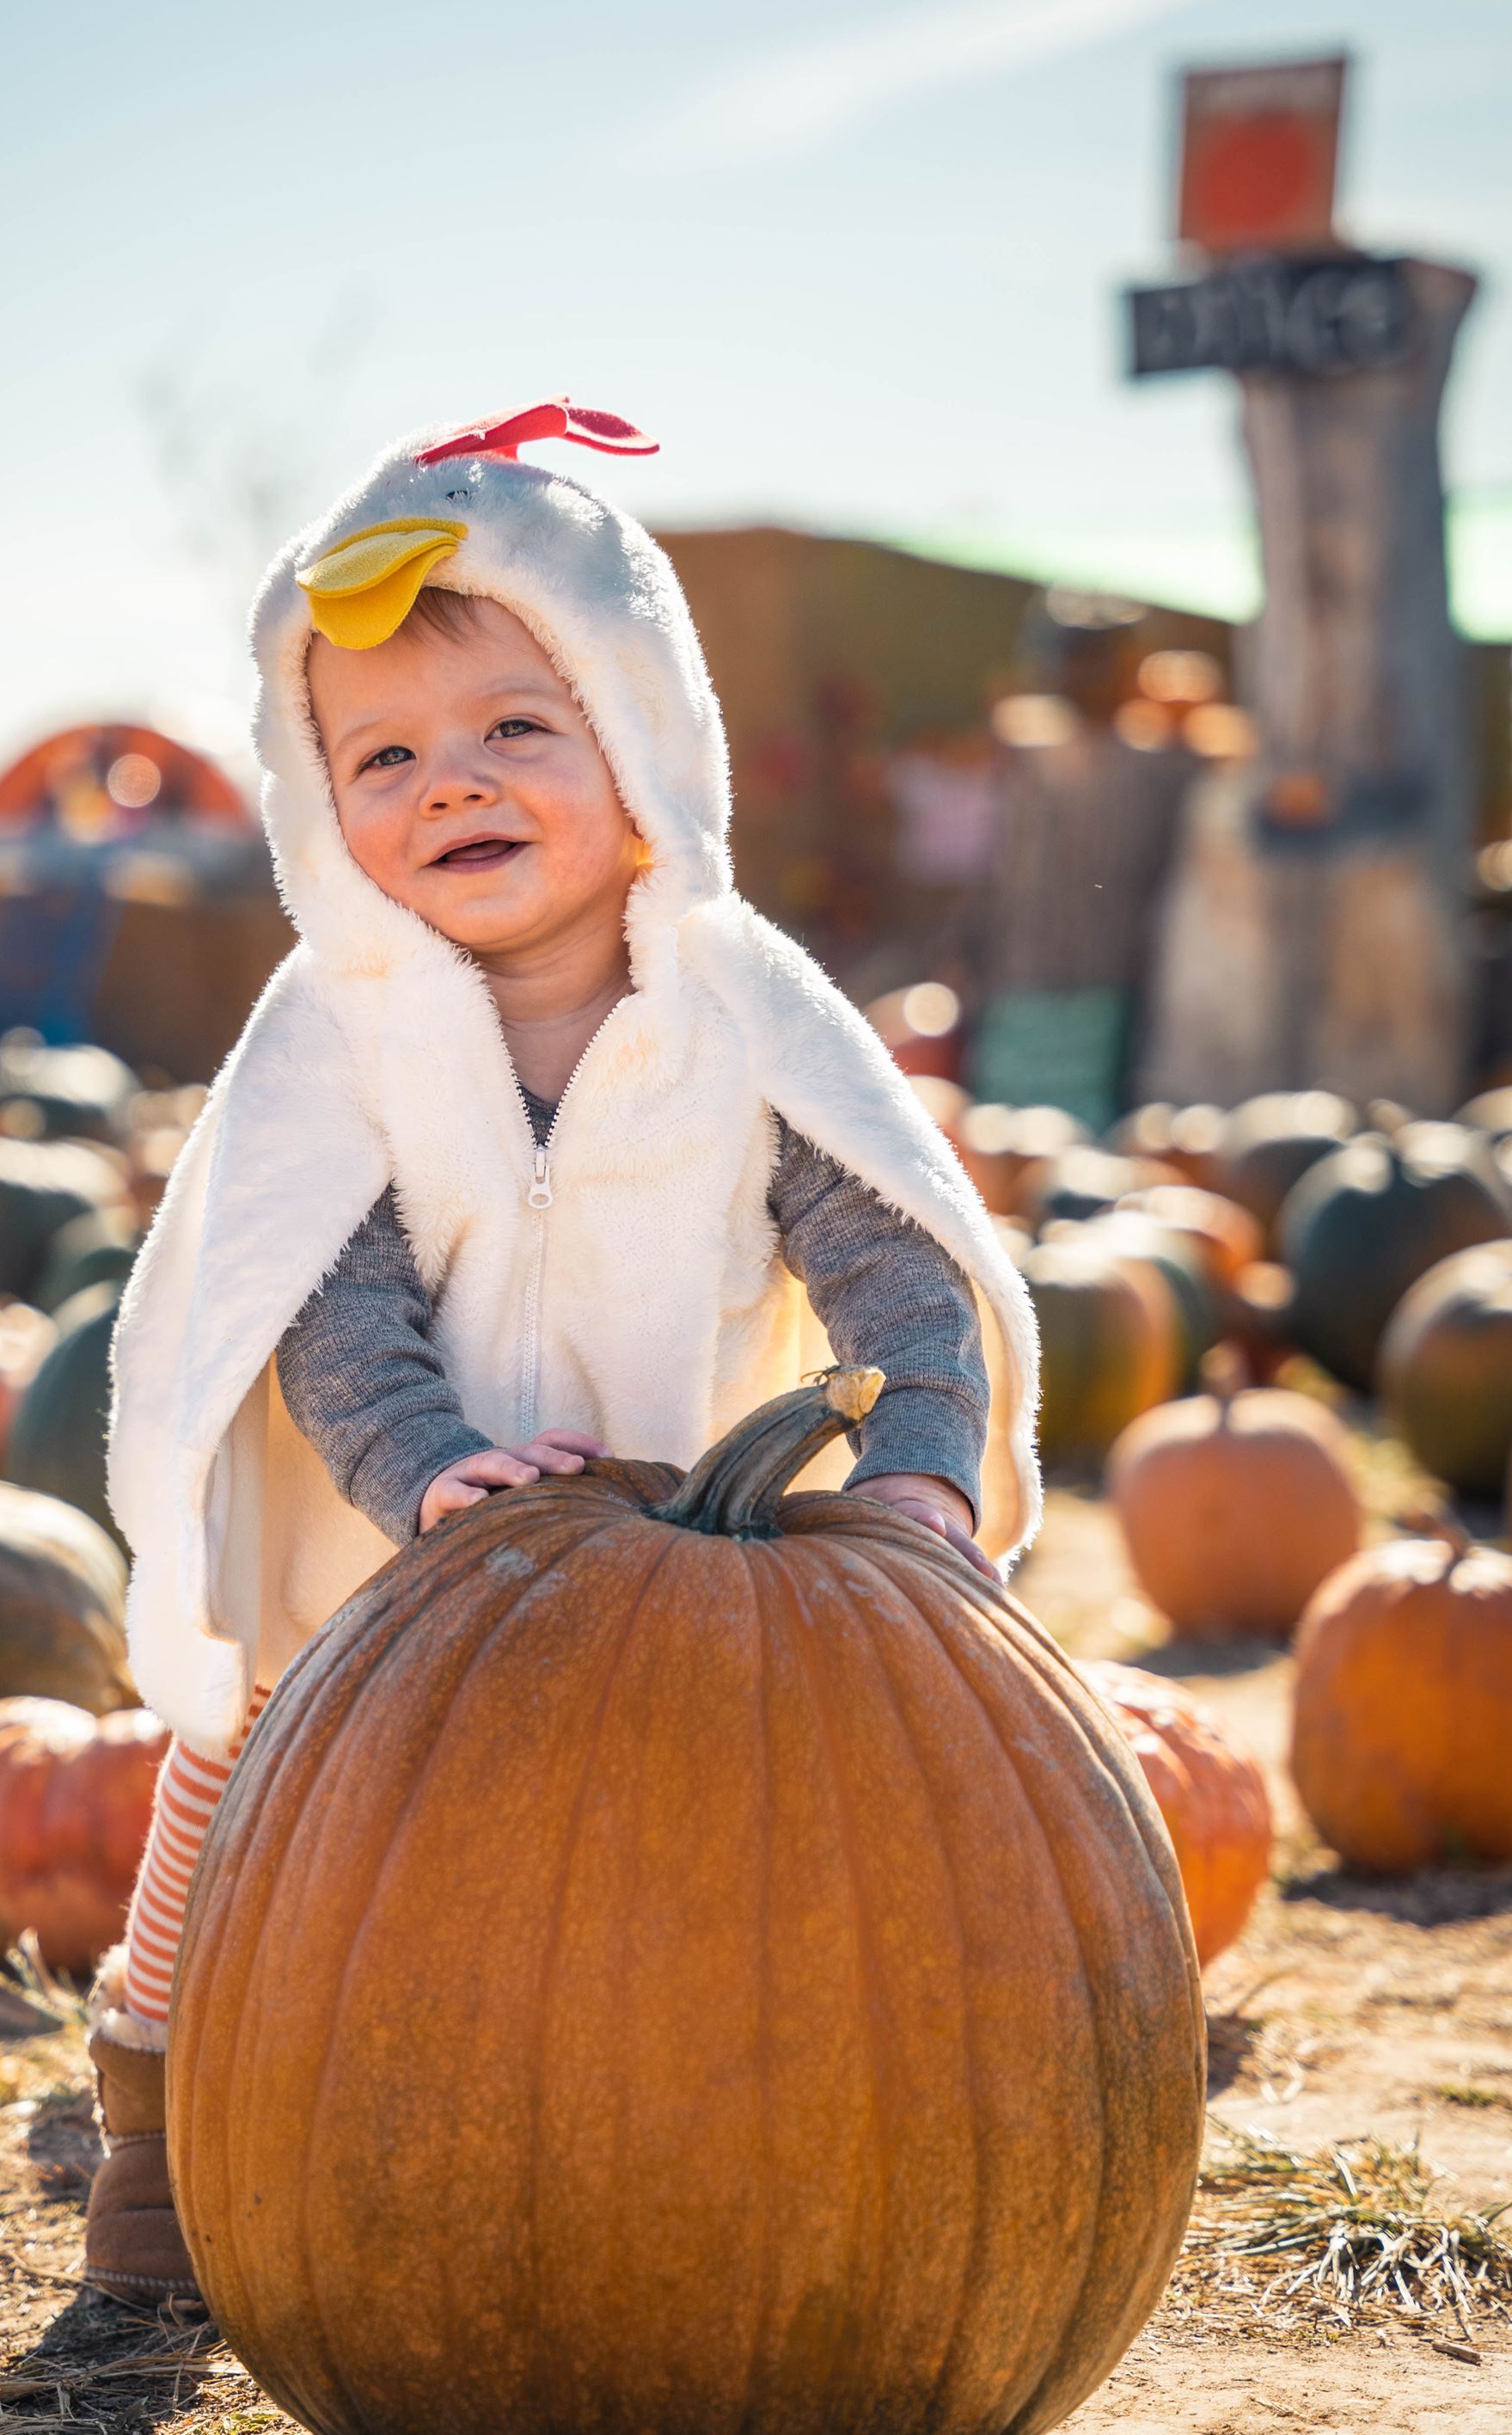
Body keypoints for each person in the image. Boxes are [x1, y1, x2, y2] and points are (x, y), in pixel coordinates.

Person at [84, 406, 1043, 2308]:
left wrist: (920, 1457)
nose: (452, 782)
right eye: (384, 755)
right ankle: (158, 2105)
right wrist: (420, 1471)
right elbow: (320, 1305)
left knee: (656, 1873)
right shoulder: (336, 1038)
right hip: (387, 1557)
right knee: (232, 1784)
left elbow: (893, 1263)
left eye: (516, 726)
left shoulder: (732, 1012)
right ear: (316, 800)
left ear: (639, 739)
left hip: (665, 1560)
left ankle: (633, 2155)